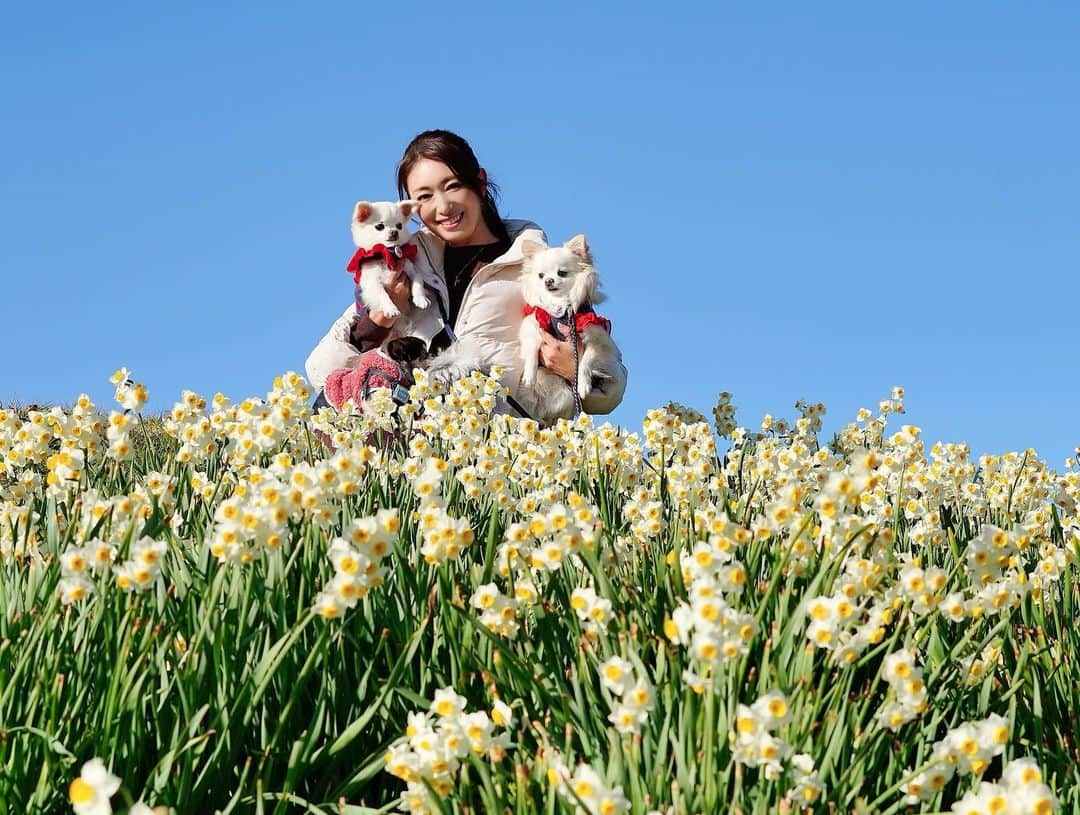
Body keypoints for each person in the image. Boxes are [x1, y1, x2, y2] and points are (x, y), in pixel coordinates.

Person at [305, 129, 627, 419]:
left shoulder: (538, 268)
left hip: (502, 458)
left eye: (452, 186)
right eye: (425, 196)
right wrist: (379, 319)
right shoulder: (404, 265)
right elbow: (321, 368)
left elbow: (608, 394)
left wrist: (573, 366)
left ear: (480, 183)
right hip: (418, 453)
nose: (442, 207)